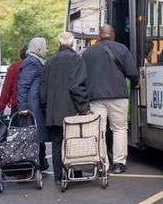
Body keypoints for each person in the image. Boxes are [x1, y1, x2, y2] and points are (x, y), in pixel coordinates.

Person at [82, 24, 138, 174]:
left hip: (95, 97)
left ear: (99, 35)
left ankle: (102, 164)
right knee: (119, 129)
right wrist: (136, 82)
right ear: (112, 35)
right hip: (118, 95)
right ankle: (119, 163)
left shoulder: (87, 52)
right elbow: (132, 72)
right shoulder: (122, 48)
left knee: (99, 131)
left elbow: (83, 76)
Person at [40, 32, 90, 184]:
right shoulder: (75, 59)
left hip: (53, 112)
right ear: (73, 43)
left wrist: (46, 107)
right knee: (74, 141)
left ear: (58, 44)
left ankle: (58, 176)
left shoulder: (49, 61)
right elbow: (77, 86)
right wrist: (84, 107)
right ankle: (76, 173)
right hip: (71, 110)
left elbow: (43, 88)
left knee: (56, 144)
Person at [16, 38, 48, 170]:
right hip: (31, 107)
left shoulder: (35, 61)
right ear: (38, 48)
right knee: (33, 137)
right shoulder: (31, 62)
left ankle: (39, 164)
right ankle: (33, 165)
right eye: (45, 47)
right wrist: (22, 107)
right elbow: (22, 85)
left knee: (36, 136)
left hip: (34, 105)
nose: (47, 50)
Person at [0, 44, 28, 115]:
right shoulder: (39, 65)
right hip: (35, 106)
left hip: (17, 105)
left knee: (16, 125)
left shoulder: (14, 66)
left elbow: (7, 87)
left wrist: (2, 105)